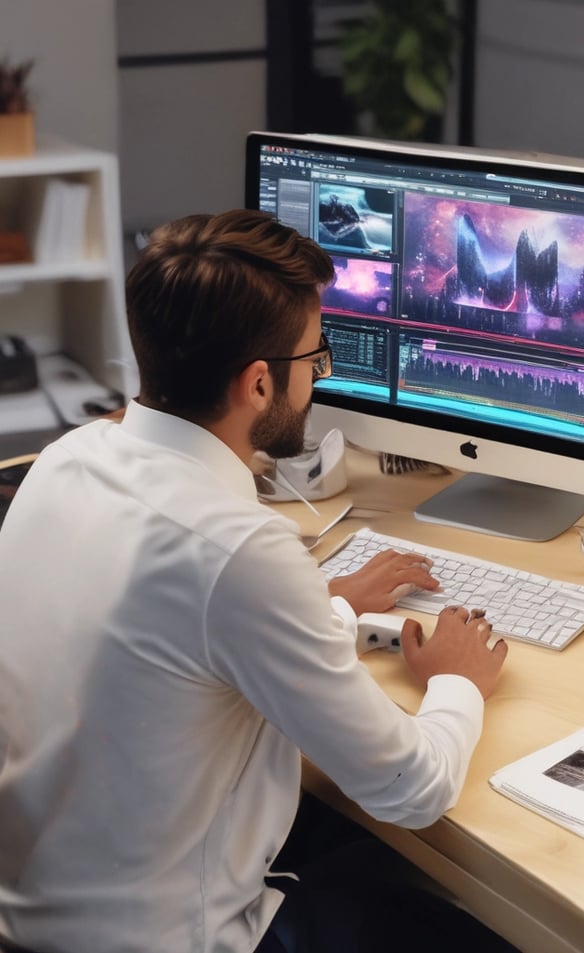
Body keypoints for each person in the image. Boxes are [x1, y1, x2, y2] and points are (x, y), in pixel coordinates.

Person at [0, 210, 510, 953]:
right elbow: (413, 789)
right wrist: (458, 684)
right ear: (260, 383)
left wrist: (327, 602)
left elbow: (173, 646)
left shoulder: (65, 461)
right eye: (316, 357)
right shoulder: (239, 550)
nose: (318, 374)